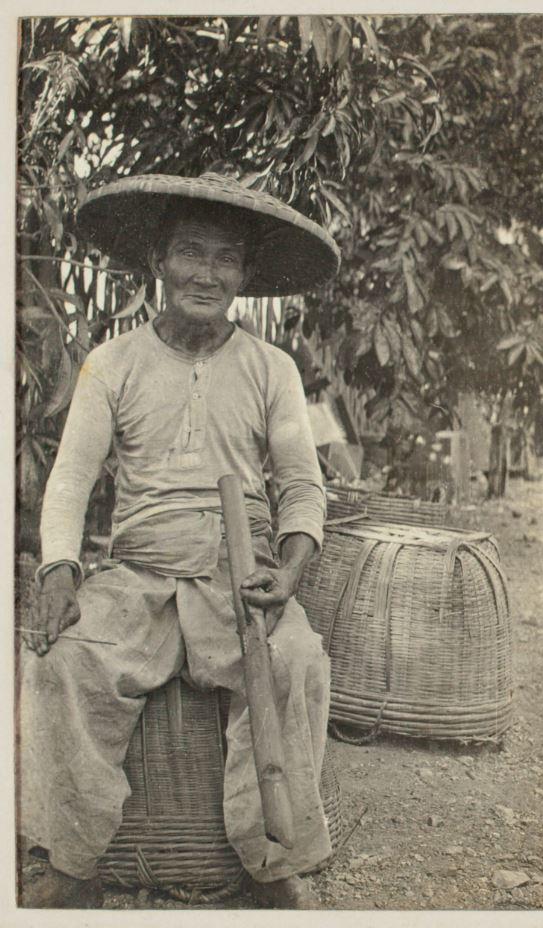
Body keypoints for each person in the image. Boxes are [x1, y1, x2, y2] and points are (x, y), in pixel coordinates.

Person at [17, 172, 341, 910]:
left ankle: (271, 865)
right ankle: (72, 865)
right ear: (158, 261)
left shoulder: (272, 369)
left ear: (244, 275)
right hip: (139, 575)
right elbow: (70, 479)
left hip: (240, 577)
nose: (207, 273)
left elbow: (300, 484)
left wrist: (288, 571)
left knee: (295, 660)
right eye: (191, 252)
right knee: (63, 662)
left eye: (225, 258)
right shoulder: (114, 363)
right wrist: (61, 570)